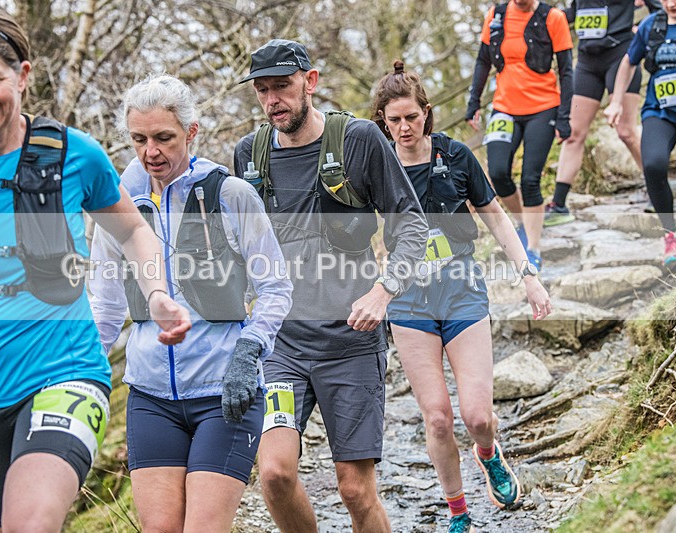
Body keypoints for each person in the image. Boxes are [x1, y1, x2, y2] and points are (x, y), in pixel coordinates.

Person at [0, 6, 191, 532]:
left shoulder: (74, 155)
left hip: (65, 376)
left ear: (23, 76)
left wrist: (158, 292)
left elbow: (134, 231)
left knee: (30, 523)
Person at [234, 39, 430, 532]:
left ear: (311, 81)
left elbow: (411, 224)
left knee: (354, 489)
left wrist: (383, 290)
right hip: (281, 345)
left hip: (350, 342)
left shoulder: (360, 140)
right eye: (263, 90)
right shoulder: (249, 156)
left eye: (282, 86)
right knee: (275, 473)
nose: (273, 99)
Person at [89, 74, 293, 531]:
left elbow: (277, 289)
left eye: (164, 137)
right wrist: (82, 373)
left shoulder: (231, 195)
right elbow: (104, 307)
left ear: (192, 132)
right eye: (139, 139)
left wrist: (249, 350)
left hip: (225, 394)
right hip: (149, 396)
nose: (150, 152)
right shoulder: (116, 205)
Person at [373, 61, 552, 533]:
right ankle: (458, 512)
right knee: (436, 419)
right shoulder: (378, 166)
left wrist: (527, 274)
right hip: (409, 302)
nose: (405, 127)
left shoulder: (453, 156)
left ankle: (489, 454)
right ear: (382, 121)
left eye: (412, 117)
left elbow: (493, 215)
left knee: (476, 416)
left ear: (426, 113)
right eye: (394, 120)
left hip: (462, 293)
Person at [466, 0, 574, 269]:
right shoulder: (496, 15)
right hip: (504, 108)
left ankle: (533, 250)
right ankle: (523, 224)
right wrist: (474, 102)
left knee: (530, 179)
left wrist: (564, 117)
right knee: (499, 173)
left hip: (544, 107)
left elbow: (566, 71)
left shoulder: (553, 18)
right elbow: (482, 60)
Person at [546, 0, 663, 225]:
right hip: (588, 62)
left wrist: (648, 29)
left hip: (621, 56)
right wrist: (545, 17)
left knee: (626, 131)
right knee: (574, 133)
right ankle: (558, 204)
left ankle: (657, 190)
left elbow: (660, 7)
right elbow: (573, 12)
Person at [605, 0, 676, 268]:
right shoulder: (651, 24)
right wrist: (616, 101)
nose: (670, 4)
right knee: (653, 165)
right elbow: (628, 62)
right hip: (659, 112)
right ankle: (670, 234)